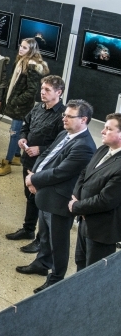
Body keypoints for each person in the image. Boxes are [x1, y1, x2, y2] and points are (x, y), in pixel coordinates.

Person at [17, 99, 96, 293]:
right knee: (44, 235)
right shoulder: (64, 134)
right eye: (64, 115)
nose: (64, 119)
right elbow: (46, 156)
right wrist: (33, 176)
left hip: (60, 200)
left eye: (70, 116)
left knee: (58, 242)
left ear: (83, 120)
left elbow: (60, 172)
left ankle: (56, 277)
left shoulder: (84, 146)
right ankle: (42, 264)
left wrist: (34, 180)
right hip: (46, 194)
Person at [6, 75, 66, 252]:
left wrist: (40, 149)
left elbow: (61, 145)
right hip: (28, 161)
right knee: (30, 197)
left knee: (41, 202)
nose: (42, 92)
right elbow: (26, 125)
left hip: (45, 166)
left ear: (59, 92)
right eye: (42, 89)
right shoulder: (38, 107)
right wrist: (23, 137)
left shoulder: (62, 116)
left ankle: (41, 240)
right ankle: (28, 229)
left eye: (47, 90)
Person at [71, 113, 121, 271]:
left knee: (93, 274)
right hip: (84, 222)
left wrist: (78, 206)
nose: (102, 131)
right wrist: (77, 198)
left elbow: (106, 200)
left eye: (108, 128)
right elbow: (83, 174)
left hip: (101, 231)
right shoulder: (103, 150)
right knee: (80, 264)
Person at [0, 37, 49, 176]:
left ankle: (7, 163)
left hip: (21, 107)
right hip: (17, 105)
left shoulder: (31, 66)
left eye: (25, 47)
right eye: (21, 46)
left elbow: (32, 91)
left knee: (14, 134)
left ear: (31, 50)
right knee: (17, 132)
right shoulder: (21, 62)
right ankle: (16, 157)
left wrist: (16, 101)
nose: (21, 49)